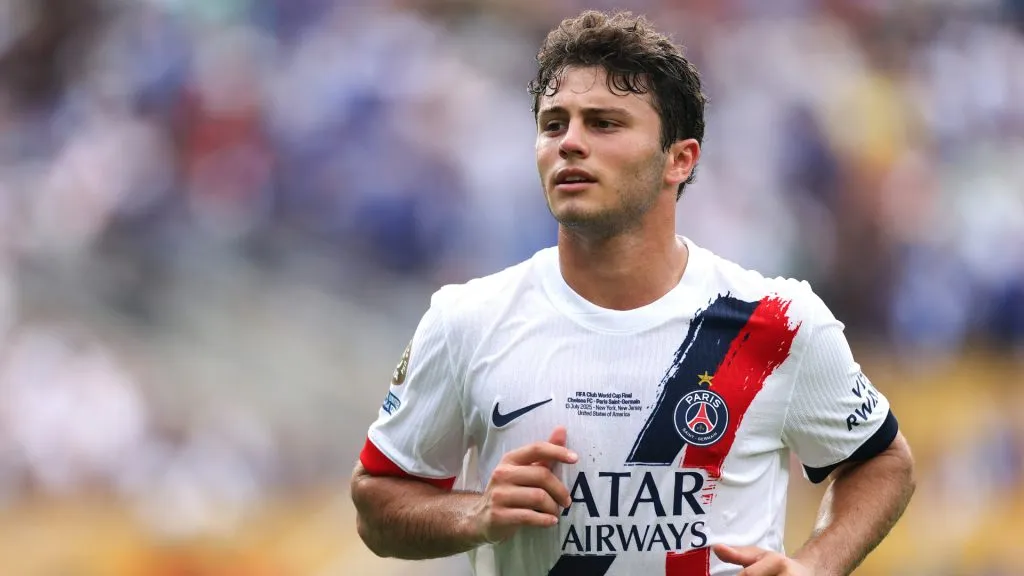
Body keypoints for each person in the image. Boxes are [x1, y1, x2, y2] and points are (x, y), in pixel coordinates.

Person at [350, 10, 915, 576]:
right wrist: (475, 514)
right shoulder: (467, 320)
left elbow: (882, 460)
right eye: (553, 124)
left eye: (603, 123)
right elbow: (377, 500)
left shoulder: (776, 320)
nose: (570, 143)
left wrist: (816, 565)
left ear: (679, 159)